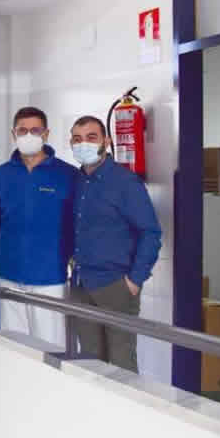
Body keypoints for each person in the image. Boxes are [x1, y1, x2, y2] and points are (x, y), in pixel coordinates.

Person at [68, 116, 161, 372]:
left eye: (91, 137)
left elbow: (150, 232)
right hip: (82, 284)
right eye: (77, 139)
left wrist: (135, 280)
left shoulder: (125, 182)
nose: (83, 144)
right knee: (89, 362)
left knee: (121, 363)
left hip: (116, 285)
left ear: (106, 142)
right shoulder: (77, 181)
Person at [0, 106, 78, 349]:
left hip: (50, 277)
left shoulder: (67, 175)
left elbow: (75, 223)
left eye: (35, 130)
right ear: (13, 134)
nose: (28, 135)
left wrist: (67, 257)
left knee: (50, 347)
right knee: (12, 346)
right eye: (22, 131)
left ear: (46, 134)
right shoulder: (1, 175)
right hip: (8, 274)